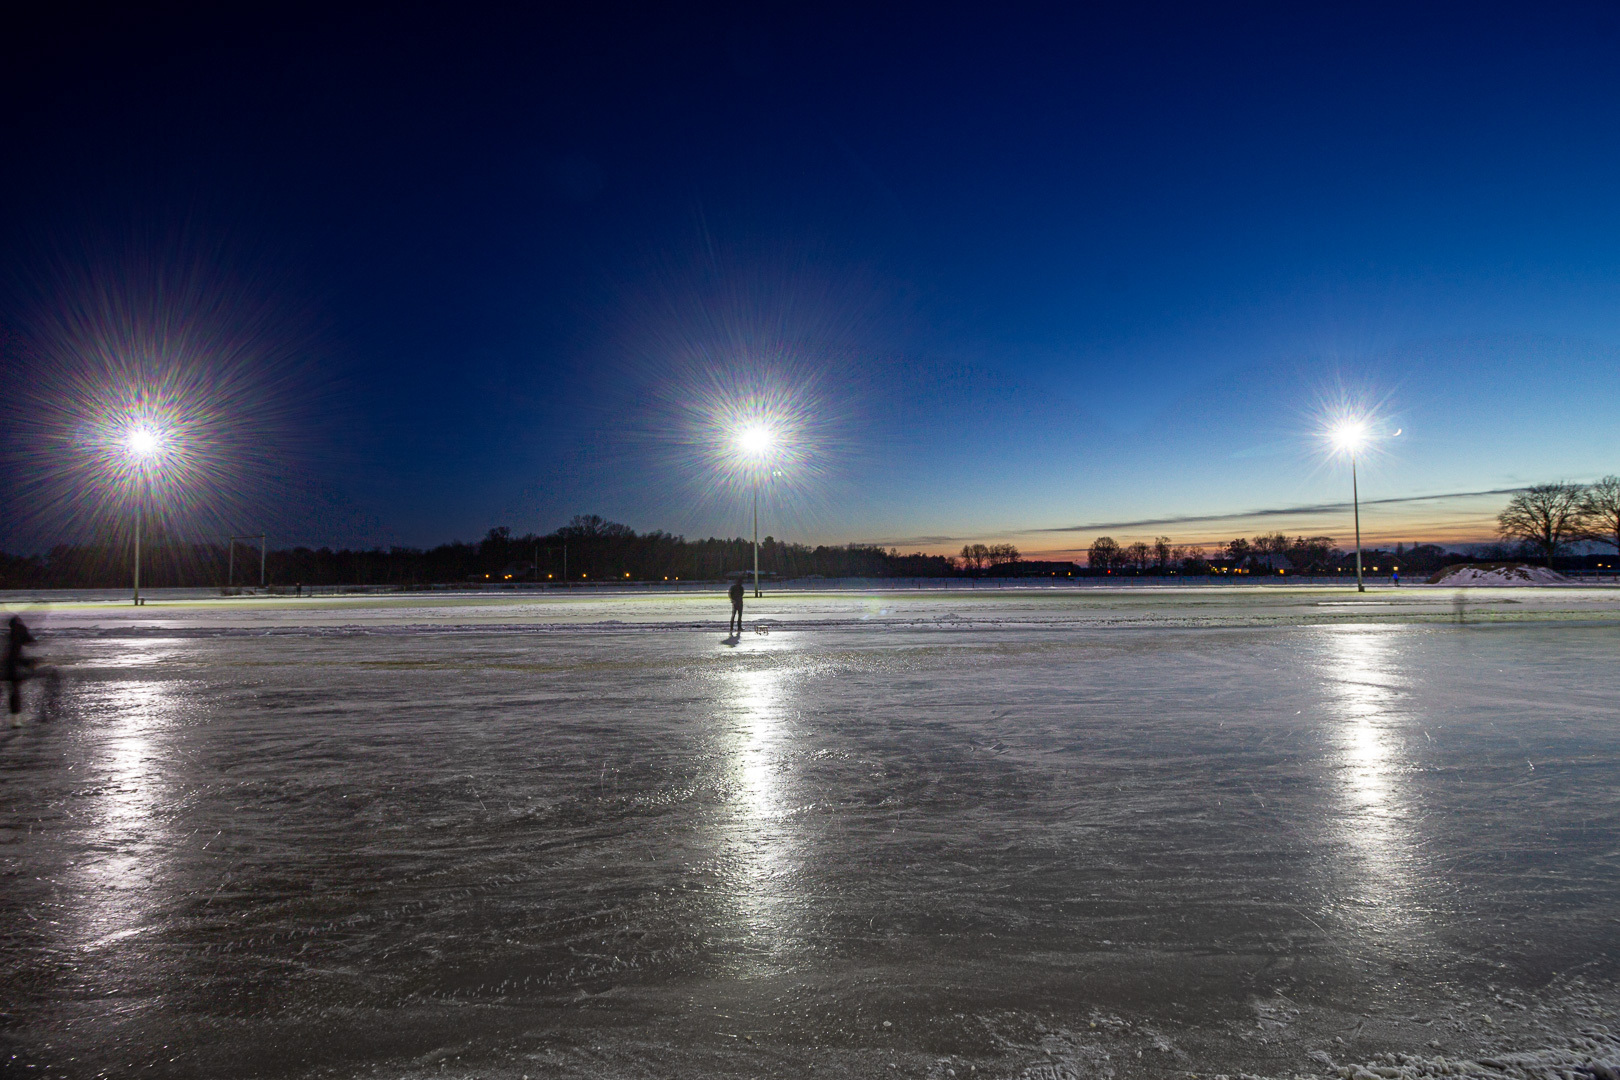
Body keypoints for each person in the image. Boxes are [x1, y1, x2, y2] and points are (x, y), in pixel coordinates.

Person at [6, 615, 37, 723]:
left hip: (9, 664)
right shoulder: (20, 630)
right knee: (14, 689)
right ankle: (16, 718)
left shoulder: (10, 634)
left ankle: (15, 717)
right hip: (12, 665)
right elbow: (30, 641)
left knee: (13, 690)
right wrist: (28, 663)